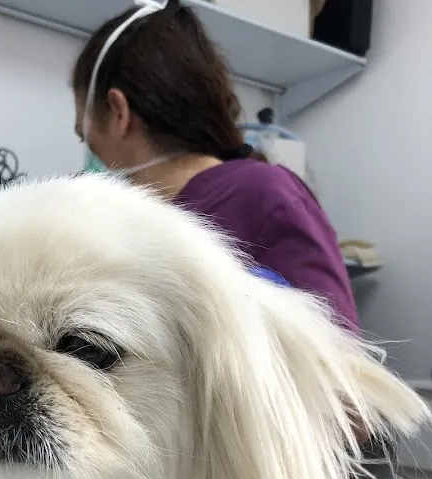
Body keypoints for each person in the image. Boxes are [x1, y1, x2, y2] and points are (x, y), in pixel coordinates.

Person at [71, 1, 359, 331]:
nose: (92, 159)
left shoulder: (265, 195)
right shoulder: (140, 224)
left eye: (85, 137)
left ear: (118, 112)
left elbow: (339, 350)